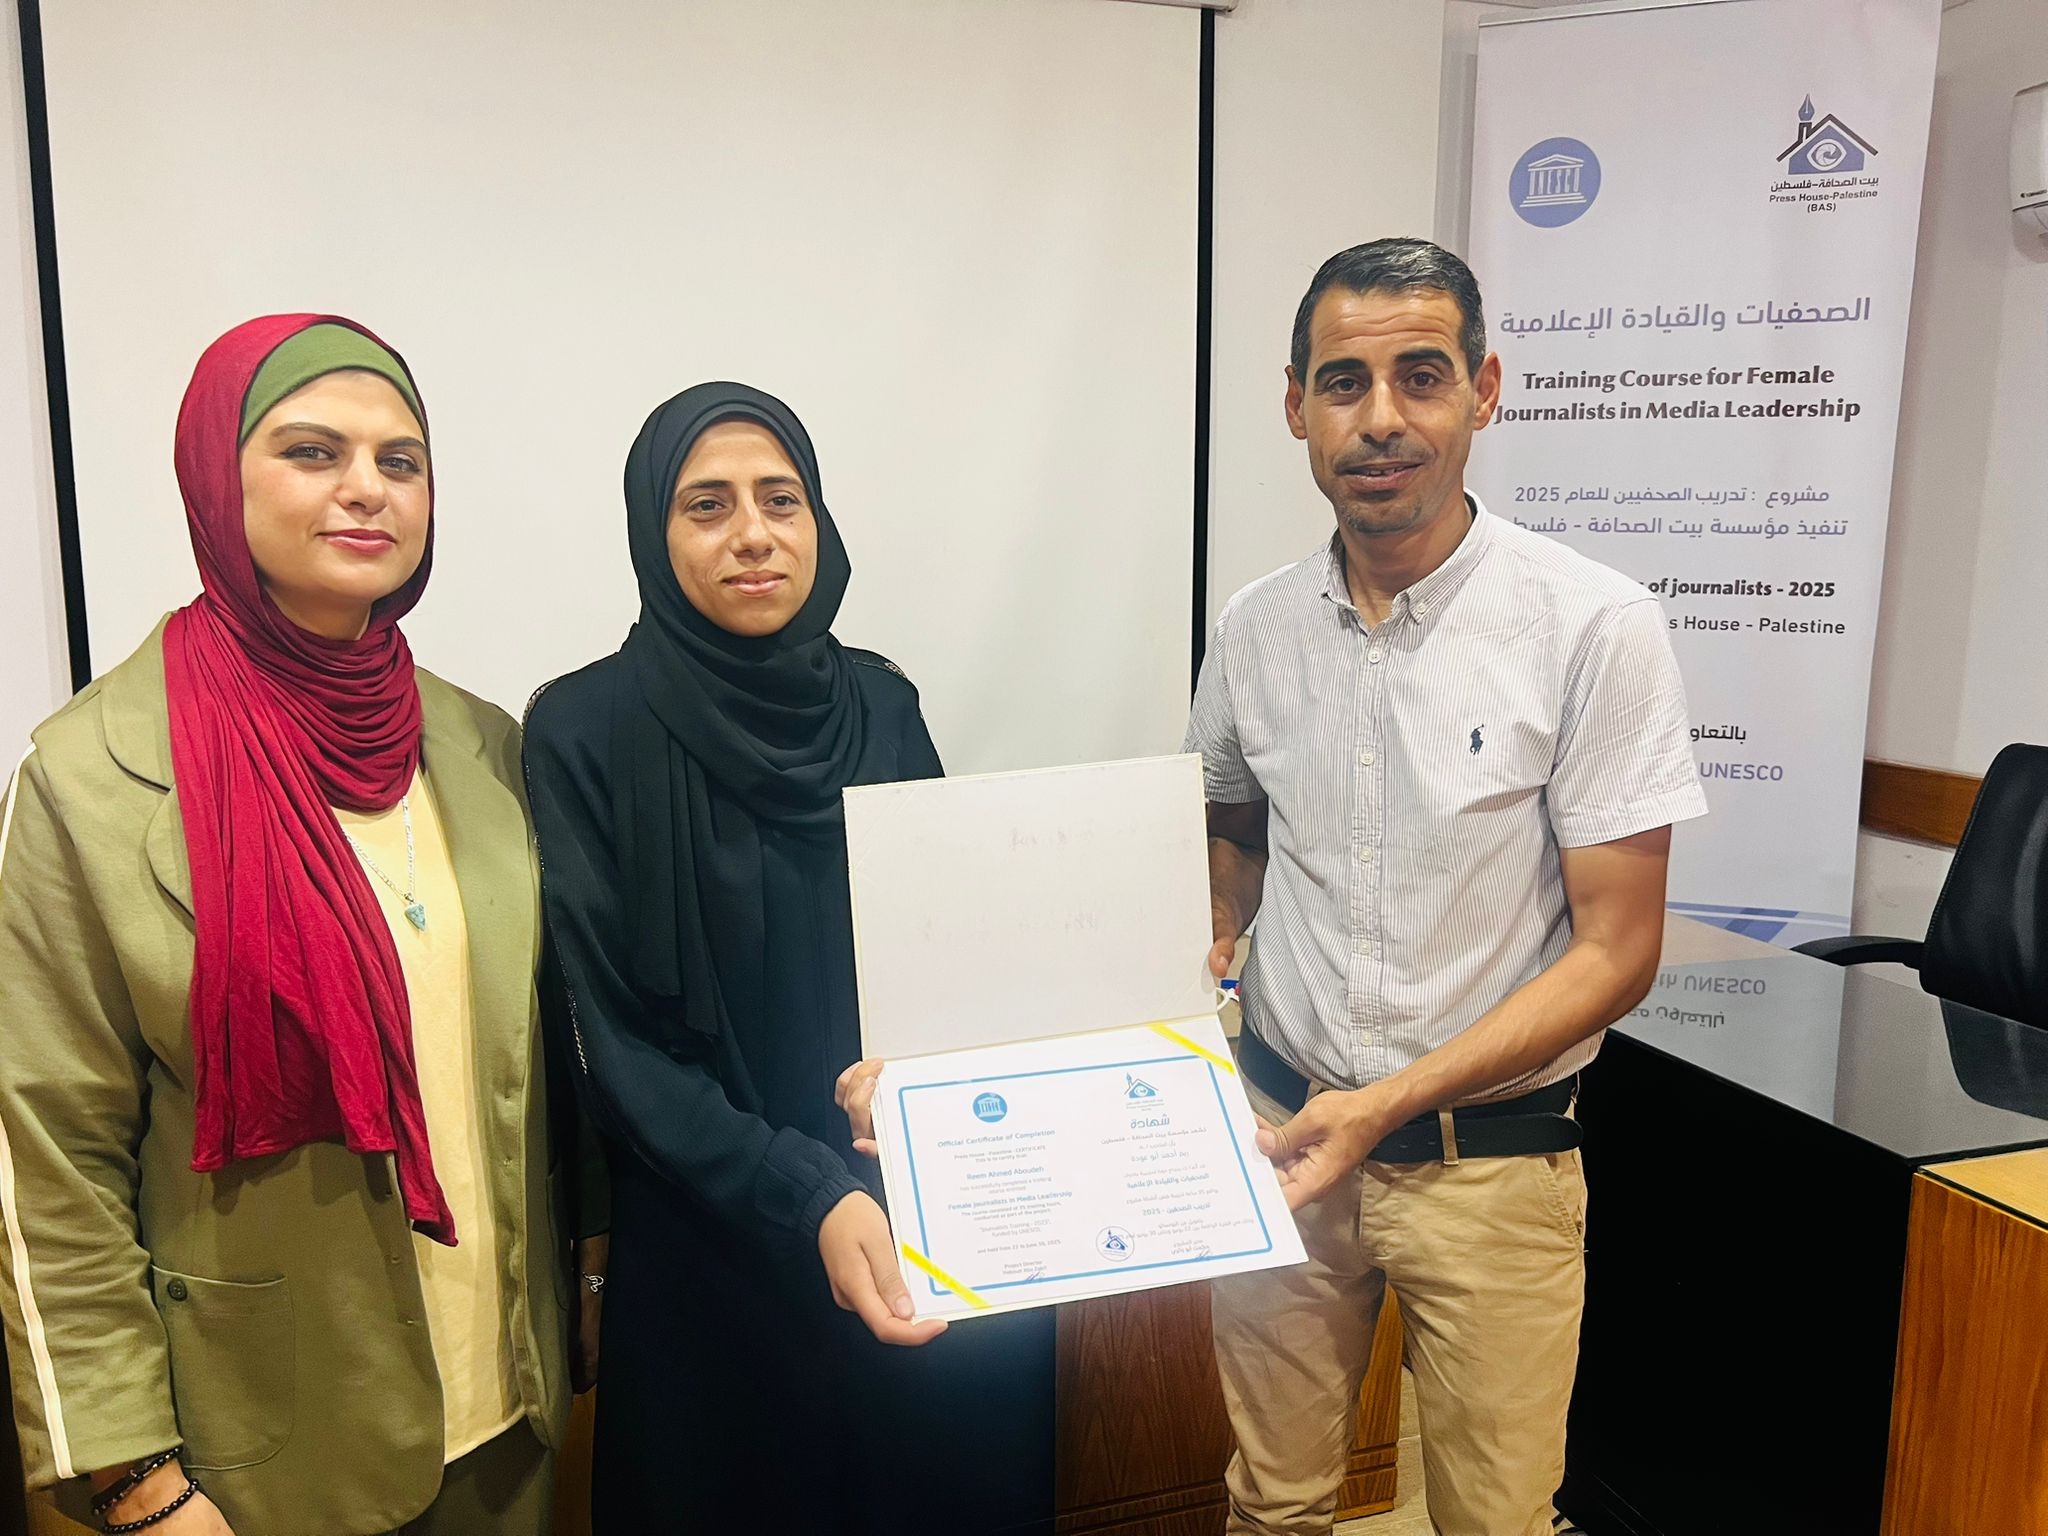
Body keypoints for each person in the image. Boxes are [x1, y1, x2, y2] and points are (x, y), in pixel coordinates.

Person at [0, 315, 599, 1535]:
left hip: (503, 1423)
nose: (365, 488)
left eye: (399, 460)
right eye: (311, 451)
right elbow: (49, 1155)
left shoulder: (482, 745)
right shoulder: (91, 776)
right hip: (260, 1456)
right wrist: (136, 1480)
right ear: (217, 482)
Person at [1188, 239, 1708, 1536]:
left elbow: (1617, 953)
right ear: (1295, 405)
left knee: (1493, 1522)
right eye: (1343, 382)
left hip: (1493, 1170)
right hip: (1278, 1141)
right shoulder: (1251, 629)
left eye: (1419, 377)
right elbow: (1230, 825)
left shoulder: (1593, 628)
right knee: (1270, 1504)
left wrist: (1385, 1106)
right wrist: (1213, 925)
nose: (1380, 419)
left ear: (1483, 390)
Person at [523, 381, 1055, 1534]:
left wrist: (920, 1068)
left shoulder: (881, 704)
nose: (753, 534)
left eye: (781, 499)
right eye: (706, 505)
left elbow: (949, 948)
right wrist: (802, 1195)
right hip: (714, 1241)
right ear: (653, 533)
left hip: (909, 1211)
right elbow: (619, 1049)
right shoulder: (580, 731)